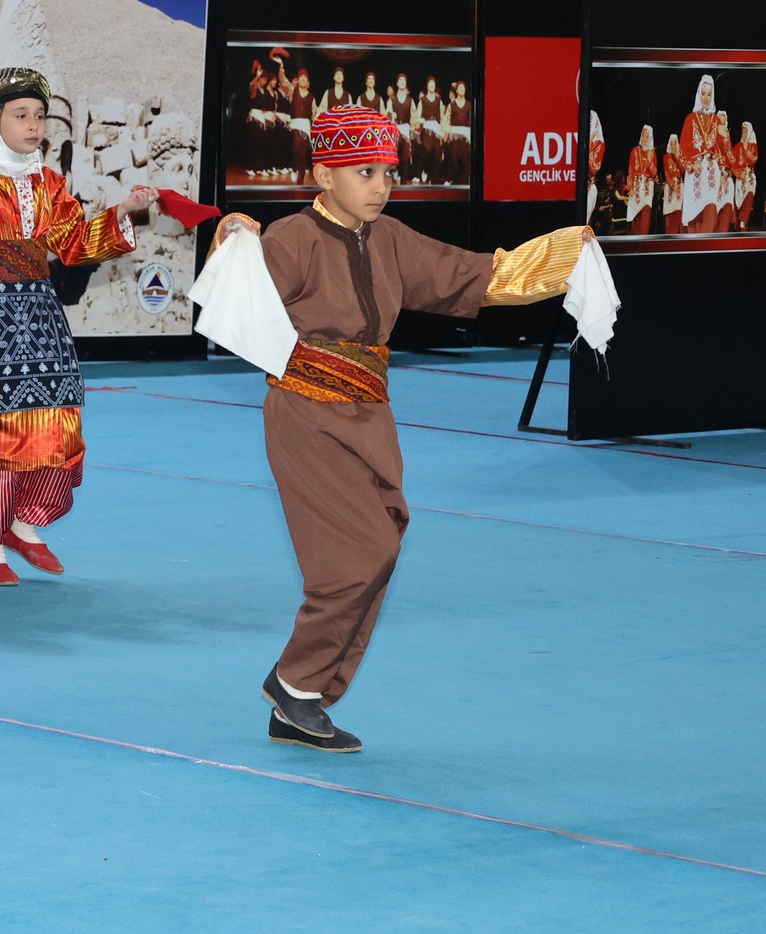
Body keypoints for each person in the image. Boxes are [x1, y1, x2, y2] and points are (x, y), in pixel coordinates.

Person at [199, 106, 592, 752]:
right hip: (305, 412)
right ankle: (295, 683)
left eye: (387, 171)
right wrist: (232, 234)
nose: (381, 185)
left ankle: (303, 697)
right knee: (354, 558)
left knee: (383, 541)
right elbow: (238, 295)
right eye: (364, 171)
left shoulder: (392, 238)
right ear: (323, 173)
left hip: (370, 412)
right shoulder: (295, 239)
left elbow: (475, 274)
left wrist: (567, 251)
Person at [0, 67, 153, 584]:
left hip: (41, 316)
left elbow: (73, 245)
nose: (34, 125)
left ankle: (25, 521)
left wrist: (124, 211)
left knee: (58, 419)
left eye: (40, 116)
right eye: (20, 115)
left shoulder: (48, 180)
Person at [677, 76, 721, 234]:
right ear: (698, 94)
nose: (706, 98)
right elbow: (682, 150)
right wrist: (690, 165)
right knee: (695, 217)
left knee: (710, 210)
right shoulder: (690, 118)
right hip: (694, 171)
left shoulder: (716, 120)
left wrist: (724, 138)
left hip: (710, 172)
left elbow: (723, 150)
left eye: (709, 94)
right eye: (703, 93)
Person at [625, 126, 658, 235]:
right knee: (636, 217)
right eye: (643, 136)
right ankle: (634, 245)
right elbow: (630, 170)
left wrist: (649, 159)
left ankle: (643, 243)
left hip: (648, 188)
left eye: (647, 137)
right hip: (636, 186)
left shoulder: (653, 154)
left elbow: (653, 173)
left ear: (650, 138)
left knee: (646, 215)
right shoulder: (635, 150)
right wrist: (630, 188)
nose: (644, 138)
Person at [732, 121, 760, 230]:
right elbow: (733, 165)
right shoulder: (737, 146)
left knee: (750, 194)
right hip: (740, 178)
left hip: (750, 177)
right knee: (741, 203)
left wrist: (745, 148)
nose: (744, 134)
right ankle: (742, 228)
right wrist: (739, 174)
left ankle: (742, 220)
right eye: (742, 132)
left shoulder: (753, 146)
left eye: (746, 132)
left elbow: (754, 160)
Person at [444, 80, 472, 186]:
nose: (462, 89)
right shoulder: (452, 104)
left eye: (463, 88)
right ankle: (454, 181)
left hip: (466, 134)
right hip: (454, 134)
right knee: (454, 160)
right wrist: (448, 130)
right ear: (456, 90)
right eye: (460, 88)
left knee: (465, 160)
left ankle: (464, 183)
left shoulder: (469, 105)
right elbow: (446, 119)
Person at [662, 135, 684, 233]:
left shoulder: (681, 156)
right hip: (670, 187)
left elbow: (683, 170)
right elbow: (667, 173)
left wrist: (677, 157)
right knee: (669, 212)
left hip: (680, 185)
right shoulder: (666, 157)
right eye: (671, 144)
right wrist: (672, 186)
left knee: (678, 211)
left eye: (675, 144)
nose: (673, 146)